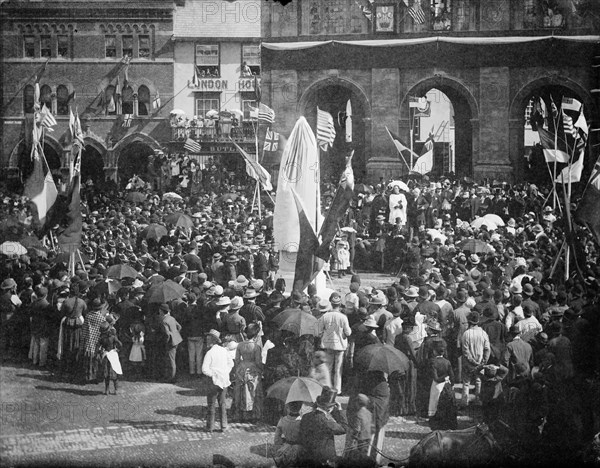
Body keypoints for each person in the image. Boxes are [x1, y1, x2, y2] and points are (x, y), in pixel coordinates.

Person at [298, 386, 347, 466]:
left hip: (306, 456)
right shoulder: (327, 422)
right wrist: (340, 410)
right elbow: (344, 429)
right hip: (322, 459)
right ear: (329, 408)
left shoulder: (306, 416)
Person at [316, 296, 352, 394]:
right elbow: (348, 333)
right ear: (340, 305)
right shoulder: (343, 317)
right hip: (340, 346)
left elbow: (319, 331)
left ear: (331, 304)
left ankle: (326, 387)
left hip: (328, 345)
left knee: (328, 368)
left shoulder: (325, 316)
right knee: (338, 369)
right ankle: (337, 389)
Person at [202, 329, 234, 432]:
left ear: (212, 340)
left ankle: (210, 427)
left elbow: (204, 369)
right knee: (222, 403)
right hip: (224, 380)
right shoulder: (224, 351)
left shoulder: (210, 353)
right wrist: (225, 372)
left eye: (208, 337)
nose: (207, 339)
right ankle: (223, 426)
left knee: (211, 404)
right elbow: (231, 364)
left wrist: (213, 374)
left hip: (213, 381)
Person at [232, 323, 263, 422]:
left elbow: (236, 360)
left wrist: (237, 369)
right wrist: (261, 369)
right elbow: (258, 361)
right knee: (253, 391)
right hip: (252, 369)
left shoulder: (240, 345)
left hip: (242, 367)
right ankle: (253, 415)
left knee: (240, 392)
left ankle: (240, 414)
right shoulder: (256, 347)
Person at [460, 311, 490, 407]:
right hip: (480, 362)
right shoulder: (483, 333)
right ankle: (478, 400)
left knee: (466, 383)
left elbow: (465, 351)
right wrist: (483, 362)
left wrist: (472, 361)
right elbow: (487, 349)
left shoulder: (466, 334)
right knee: (478, 381)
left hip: (468, 363)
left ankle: (464, 402)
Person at [273, 401, 303, 467]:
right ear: (300, 408)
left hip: (286, 448)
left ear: (288, 408)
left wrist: (281, 443)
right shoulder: (302, 421)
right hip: (299, 449)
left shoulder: (282, 420)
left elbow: (276, 438)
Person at [159, 303, 183, 383]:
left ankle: (172, 378)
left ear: (162, 311)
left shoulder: (164, 321)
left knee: (171, 360)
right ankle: (173, 375)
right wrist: (175, 333)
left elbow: (167, 334)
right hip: (177, 340)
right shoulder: (171, 318)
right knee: (174, 358)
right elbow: (179, 327)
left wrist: (167, 340)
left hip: (171, 342)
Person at [98, 319, 123, 395]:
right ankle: (116, 389)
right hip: (112, 354)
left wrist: (101, 351)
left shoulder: (102, 338)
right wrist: (117, 350)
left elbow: (98, 346)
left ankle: (107, 389)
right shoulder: (113, 337)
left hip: (105, 355)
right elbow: (120, 344)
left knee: (107, 373)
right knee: (115, 371)